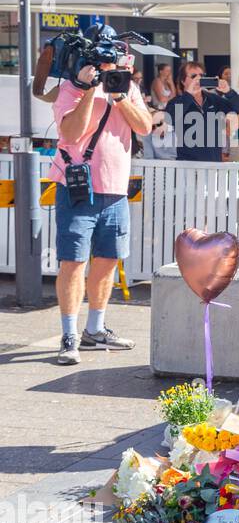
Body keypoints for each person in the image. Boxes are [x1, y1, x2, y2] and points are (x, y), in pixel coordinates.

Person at [50, 53, 153, 364]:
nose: (113, 70)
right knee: (74, 262)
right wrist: (92, 89)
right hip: (78, 189)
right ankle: (69, 335)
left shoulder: (126, 86)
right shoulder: (71, 89)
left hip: (115, 190)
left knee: (108, 261)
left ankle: (94, 329)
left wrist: (120, 96)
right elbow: (70, 134)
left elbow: (145, 127)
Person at [167, 61, 239, 162]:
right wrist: (189, 95)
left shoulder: (213, 99)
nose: (198, 79)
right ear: (183, 81)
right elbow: (169, 120)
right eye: (193, 76)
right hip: (187, 165)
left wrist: (228, 91)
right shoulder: (176, 102)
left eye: (201, 75)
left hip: (213, 164)